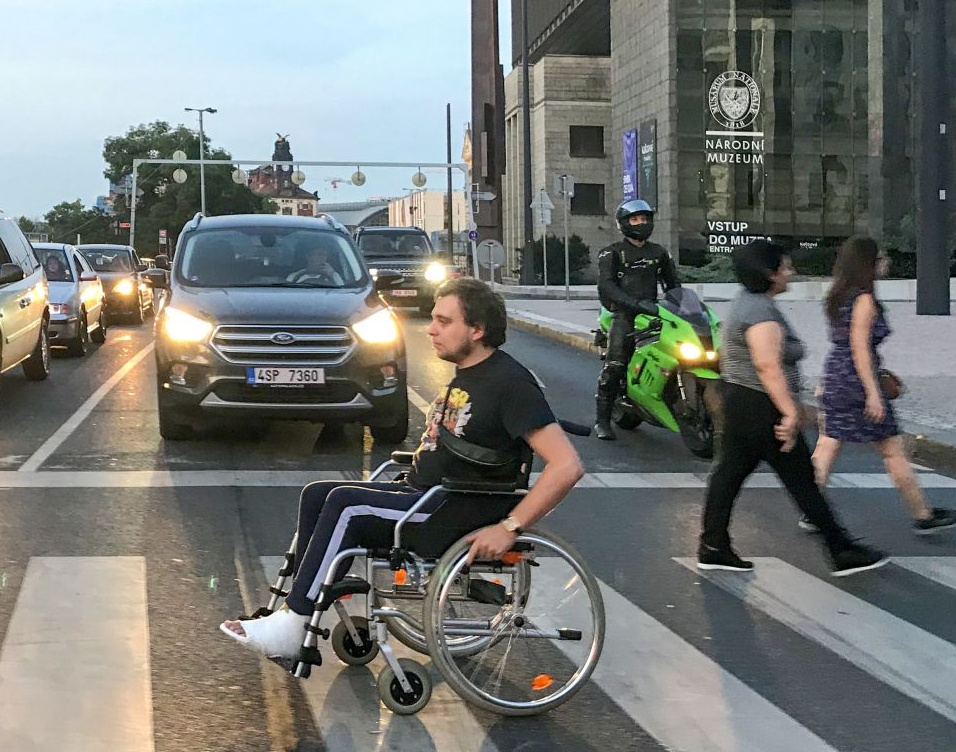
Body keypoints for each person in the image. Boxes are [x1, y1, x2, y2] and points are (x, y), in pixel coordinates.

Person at [220, 280, 585, 658]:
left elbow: (567, 466)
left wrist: (510, 527)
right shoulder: (471, 373)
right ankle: (297, 612)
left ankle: (293, 624)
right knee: (317, 494)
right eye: (433, 320)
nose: (431, 329)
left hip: (452, 510)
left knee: (347, 504)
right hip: (426, 495)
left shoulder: (511, 384)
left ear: (477, 330)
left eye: (444, 321)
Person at [698, 240, 883, 576]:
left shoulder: (749, 302)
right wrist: (789, 412)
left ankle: (713, 544)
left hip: (742, 401)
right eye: (785, 267)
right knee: (801, 480)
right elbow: (768, 366)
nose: (790, 272)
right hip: (761, 405)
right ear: (769, 274)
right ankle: (840, 548)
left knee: (729, 474)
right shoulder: (759, 313)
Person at [812, 237, 954, 534]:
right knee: (892, 449)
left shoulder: (838, 295)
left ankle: (810, 508)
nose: (886, 261)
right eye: (882, 257)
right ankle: (922, 515)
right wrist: (873, 394)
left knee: (828, 444)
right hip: (857, 381)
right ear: (870, 263)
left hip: (836, 375)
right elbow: (859, 348)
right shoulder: (864, 299)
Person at [594, 199, 680, 440]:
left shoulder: (659, 252)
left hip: (653, 313)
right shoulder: (611, 253)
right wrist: (633, 304)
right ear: (624, 224)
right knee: (616, 365)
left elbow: (673, 285)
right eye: (635, 219)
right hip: (624, 315)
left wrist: (684, 308)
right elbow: (607, 286)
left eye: (644, 219)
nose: (641, 223)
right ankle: (602, 420)